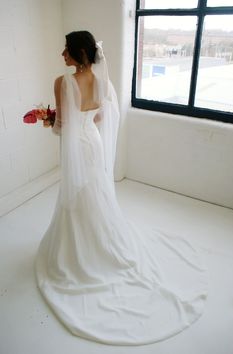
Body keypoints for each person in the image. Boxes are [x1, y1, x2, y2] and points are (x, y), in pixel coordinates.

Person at [35, 31, 208, 345]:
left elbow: (63, 128)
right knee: (94, 192)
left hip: (77, 147)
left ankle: (79, 254)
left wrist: (48, 121)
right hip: (95, 144)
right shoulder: (103, 81)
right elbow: (101, 116)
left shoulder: (63, 83)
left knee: (76, 194)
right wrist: (80, 120)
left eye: (66, 50)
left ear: (76, 53)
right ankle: (101, 244)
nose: (62, 55)